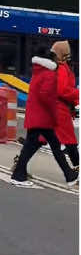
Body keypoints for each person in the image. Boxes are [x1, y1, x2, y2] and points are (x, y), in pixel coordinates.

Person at [11, 46, 78, 188]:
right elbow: (48, 95)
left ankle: (69, 174)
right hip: (44, 116)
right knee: (50, 145)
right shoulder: (50, 73)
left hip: (38, 115)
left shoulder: (39, 71)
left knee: (38, 144)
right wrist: (53, 112)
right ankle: (18, 174)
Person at [52, 40, 79, 169]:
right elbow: (62, 90)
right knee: (70, 141)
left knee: (38, 140)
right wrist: (77, 93)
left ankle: (20, 164)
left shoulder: (61, 67)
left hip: (56, 108)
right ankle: (77, 168)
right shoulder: (62, 69)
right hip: (59, 109)